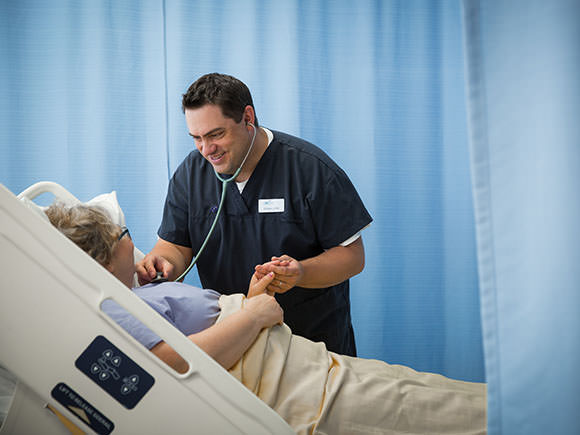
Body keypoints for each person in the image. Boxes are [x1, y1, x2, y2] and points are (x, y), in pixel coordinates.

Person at [46, 203, 486, 435]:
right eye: (122, 234)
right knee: (446, 413)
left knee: (440, 397)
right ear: (101, 257)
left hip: (305, 366)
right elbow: (170, 366)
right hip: (299, 393)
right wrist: (253, 314)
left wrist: (252, 300)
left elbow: (200, 330)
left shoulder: (135, 290)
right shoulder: (111, 309)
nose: (131, 239)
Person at [137, 72, 373, 356]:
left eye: (216, 134)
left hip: (312, 344)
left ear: (248, 117)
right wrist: (163, 262)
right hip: (236, 340)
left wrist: (300, 273)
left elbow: (352, 257)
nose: (206, 150)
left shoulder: (310, 170)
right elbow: (175, 245)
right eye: (196, 138)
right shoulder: (191, 175)